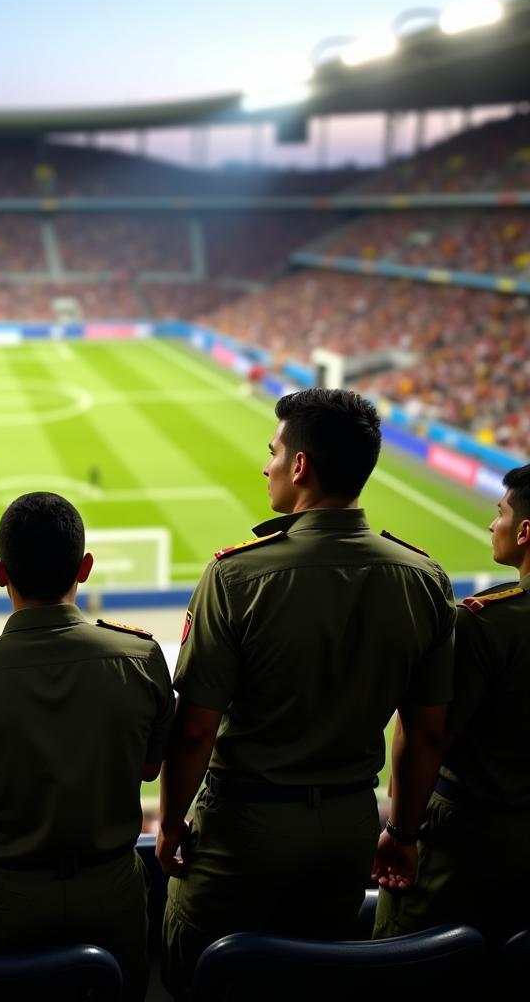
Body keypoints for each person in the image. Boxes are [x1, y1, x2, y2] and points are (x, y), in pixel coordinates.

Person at [157, 388, 455, 997]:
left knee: (204, 971)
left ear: (300, 467)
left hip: (244, 830)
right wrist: (401, 834)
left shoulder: (237, 575)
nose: (265, 464)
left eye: (273, 452)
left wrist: (169, 822)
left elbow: (195, 727)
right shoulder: (425, 580)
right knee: (319, 978)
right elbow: (425, 731)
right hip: (348, 829)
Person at [0, 492, 174, 1001]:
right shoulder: (140, 657)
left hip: (1, 900)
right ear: (85, 567)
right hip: (111, 896)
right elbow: (150, 768)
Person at [372, 462, 530, 946]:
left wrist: (400, 833)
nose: (491, 523)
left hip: (470, 842)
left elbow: (428, 736)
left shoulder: (487, 622)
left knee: (412, 958)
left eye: (500, 513)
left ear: (526, 531)